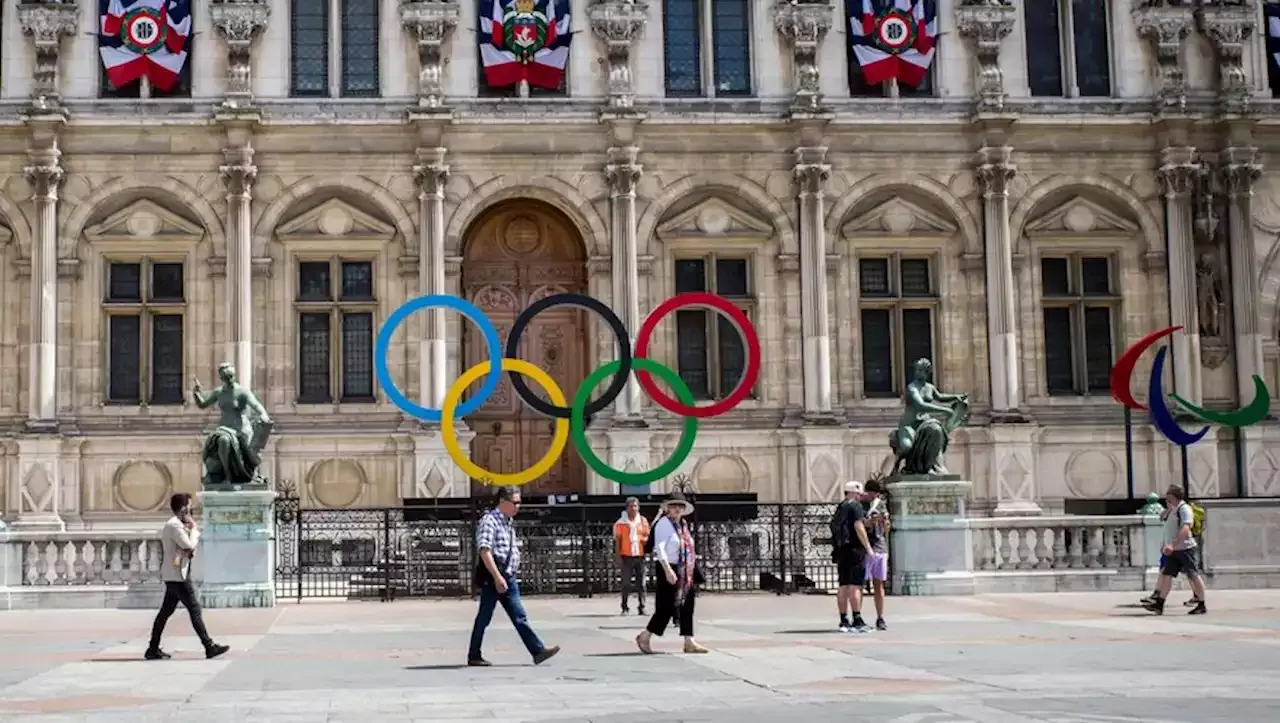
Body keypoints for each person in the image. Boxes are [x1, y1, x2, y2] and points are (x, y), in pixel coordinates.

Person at [468, 486, 561, 666]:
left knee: (519, 615)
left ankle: (537, 651)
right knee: (484, 617)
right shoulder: (490, 521)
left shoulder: (507, 522)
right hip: (494, 576)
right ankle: (474, 654)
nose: (518, 507)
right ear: (503, 502)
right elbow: (484, 550)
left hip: (507, 576)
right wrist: (496, 576)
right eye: (515, 503)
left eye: (519, 503)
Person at [145, 493, 230, 660]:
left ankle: (153, 648)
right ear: (184, 508)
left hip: (175, 574)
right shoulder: (174, 526)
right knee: (194, 609)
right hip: (178, 576)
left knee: (165, 612)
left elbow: (186, 548)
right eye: (189, 506)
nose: (191, 510)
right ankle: (209, 646)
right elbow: (189, 545)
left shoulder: (176, 525)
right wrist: (194, 529)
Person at [635, 491, 707, 654]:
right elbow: (659, 548)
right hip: (669, 567)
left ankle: (689, 640)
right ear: (667, 508)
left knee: (688, 604)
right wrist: (667, 570)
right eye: (673, 506)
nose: (677, 510)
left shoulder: (683, 525)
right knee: (666, 607)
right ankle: (645, 636)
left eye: (680, 507)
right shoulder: (664, 524)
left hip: (685, 569)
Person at [1143, 485, 1208, 616]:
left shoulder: (1184, 509)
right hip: (1174, 550)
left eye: (1168, 496)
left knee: (1193, 575)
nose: (1166, 499)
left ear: (1174, 496)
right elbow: (1163, 520)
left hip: (1185, 548)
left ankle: (1201, 603)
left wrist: (1173, 544)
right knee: (1167, 575)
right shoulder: (1173, 509)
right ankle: (1159, 603)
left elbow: (1186, 527)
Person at [831, 481, 875, 633]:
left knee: (843, 585)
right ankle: (857, 618)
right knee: (855, 585)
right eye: (858, 493)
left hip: (841, 549)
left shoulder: (841, 507)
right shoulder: (855, 506)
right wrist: (868, 548)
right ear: (854, 493)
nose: (859, 496)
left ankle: (844, 620)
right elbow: (858, 526)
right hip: (855, 549)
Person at [614, 497, 651, 615]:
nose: (633, 508)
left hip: (640, 555)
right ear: (627, 508)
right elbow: (618, 540)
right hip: (627, 556)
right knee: (626, 584)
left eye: (635, 506)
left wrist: (646, 540)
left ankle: (642, 606)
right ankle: (624, 607)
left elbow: (647, 535)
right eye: (631, 506)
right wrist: (618, 555)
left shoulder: (643, 521)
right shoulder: (621, 523)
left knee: (642, 583)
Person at [863, 479, 891, 631]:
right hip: (865, 547)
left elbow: (887, 528)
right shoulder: (861, 504)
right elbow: (860, 524)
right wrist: (870, 521)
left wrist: (885, 522)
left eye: (875, 494)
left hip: (880, 547)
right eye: (871, 493)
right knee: (860, 584)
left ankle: (880, 617)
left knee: (878, 584)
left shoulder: (880, 504)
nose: (873, 496)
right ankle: (857, 616)